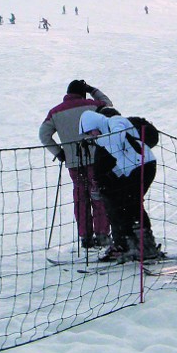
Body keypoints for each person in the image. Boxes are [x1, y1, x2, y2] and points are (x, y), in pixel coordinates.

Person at [39, 80, 112, 249]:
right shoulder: (92, 105)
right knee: (98, 195)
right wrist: (93, 90)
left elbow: (44, 135)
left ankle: (85, 237)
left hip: (74, 162)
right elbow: (109, 106)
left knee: (81, 197)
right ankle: (102, 235)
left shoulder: (55, 112)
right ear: (83, 93)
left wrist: (59, 152)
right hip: (96, 159)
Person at [79, 109, 160, 261]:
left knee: (132, 203)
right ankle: (132, 244)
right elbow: (121, 159)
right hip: (133, 168)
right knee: (125, 204)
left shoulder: (115, 122)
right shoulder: (104, 136)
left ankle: (146, 245)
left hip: (144, 165)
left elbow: (118, 137)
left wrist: (97, 140)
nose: (92, 136)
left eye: (91, 132)